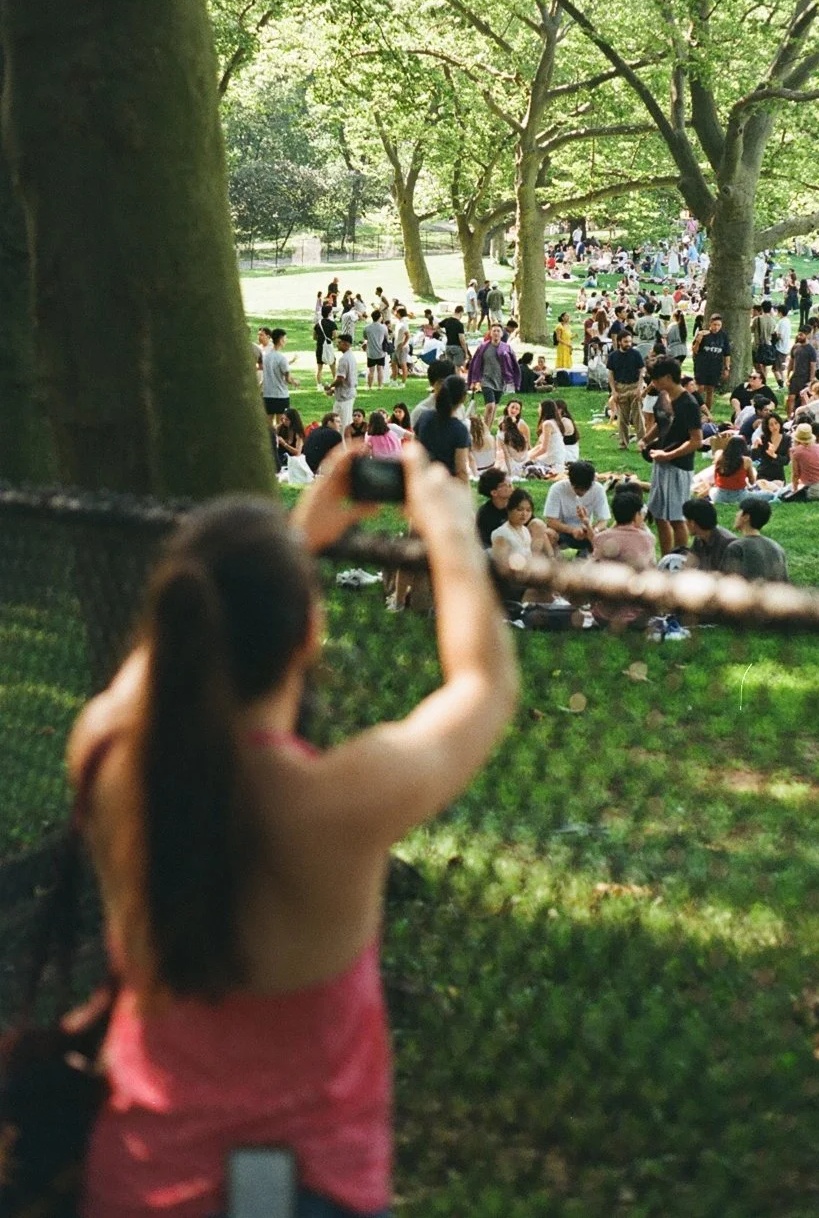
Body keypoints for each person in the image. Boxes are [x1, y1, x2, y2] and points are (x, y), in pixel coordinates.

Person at [70, 444, 516, 1218]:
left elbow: (156, 665)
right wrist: (449, 530)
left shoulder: (105, 754)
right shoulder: (333, 805)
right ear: (307, 635)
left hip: (136, 1179)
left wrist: (290, 538)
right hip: (306, 1191)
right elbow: (485, 681)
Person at [647, 357, 703, 554]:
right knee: (659, 516)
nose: (652, 382)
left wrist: (669, 455)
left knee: (676, 518)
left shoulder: (688, 403)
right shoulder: (664, 396)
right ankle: (666, 560)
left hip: (678, 466)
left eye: (655, 378)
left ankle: (679, 560)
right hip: (660, 461)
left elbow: (696, 440)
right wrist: (645, 439)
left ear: (669, 377)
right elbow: (662, 421)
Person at [590, 487, 656, 628]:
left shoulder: (601, 538)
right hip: (638, 616)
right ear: (636, 515)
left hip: (604, 614)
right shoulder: (648, 539)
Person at [543, 461, 610, 556]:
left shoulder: (598, 489)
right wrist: (572, 530)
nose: (582, 492)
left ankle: (591, 558)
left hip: (587, 530)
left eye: (586, 488)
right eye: (578, 488)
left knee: (606, 534)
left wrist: (594, 530)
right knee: (548, 534)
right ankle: (555, 561)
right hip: (562, 531)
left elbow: (603, 520)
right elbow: (551, 521)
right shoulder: (557, 489)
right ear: (570, 481)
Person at [414, 374, 472, 481]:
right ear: (463, 398)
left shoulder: (425, 417)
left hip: (422, 479)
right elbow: (461, 469)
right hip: (446, 485)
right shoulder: (459, 430)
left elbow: (415, 445)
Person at [721, 497, 789, 582]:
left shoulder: (737, 547)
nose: (736, 514)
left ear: (746, 517)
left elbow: (729, 584)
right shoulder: (777, 547)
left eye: (739, 511)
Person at [467, 323, 520, 427]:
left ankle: (488, 430)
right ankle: (484, 431)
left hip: (500, 381)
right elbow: (475, 364)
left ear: (502, 334)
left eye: (498, 331)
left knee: (495, 407)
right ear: (490, 333)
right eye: (494, 331)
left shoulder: (507, 348)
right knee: (490, 406)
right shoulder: (483, 347)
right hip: (486, 380)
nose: (496, 333)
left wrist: (514, 380)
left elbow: (514, 365)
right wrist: (474, 380)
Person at [490, 487, 554, 569]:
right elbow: (500, 567)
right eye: (519, 509)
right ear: (509, 509)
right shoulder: (501, 534)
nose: (524, 514)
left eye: (528, 510)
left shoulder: (525, 530)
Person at [606, 330, 646, 450]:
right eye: (626, 341)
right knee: (622, 418)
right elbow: (611, 375)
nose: (629, 344)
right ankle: (623, 442)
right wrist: (614, 391)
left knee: (638, 416)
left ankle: (642, 443)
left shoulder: (636, 354)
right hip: (620, 387)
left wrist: (639, 388)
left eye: (630, 341)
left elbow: (642, 372)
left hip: (634, 386)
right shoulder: (613, 356)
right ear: (619, 342)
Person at [681, 497, 735, 571]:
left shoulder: (727, 543)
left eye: (686, 520)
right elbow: (689, 565)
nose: (685, 523)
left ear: (692, 523)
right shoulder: (699, 538)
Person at [691, 314, 731, 411]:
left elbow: (727, 353)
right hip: (702, 366)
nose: (716, 327)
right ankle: (693, 407)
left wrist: (727, 368)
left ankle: (707, 412)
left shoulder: (723, 336)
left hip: (715, 367)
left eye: (718, 325)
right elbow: (694, 350)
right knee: (699, 388)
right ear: (710, 323)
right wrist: (698, 341)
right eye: (714, 324)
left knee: (710, 390)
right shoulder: (703, 334)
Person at [787, 423, 819, 500]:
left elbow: (795, 475)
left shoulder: (796, 452)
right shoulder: (817, 447)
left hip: (816, 491)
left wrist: (794, 491)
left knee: (788, 490)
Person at [262, 328, 299, 424]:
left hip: (268, 394)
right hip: (280, 395)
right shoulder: (281, 358)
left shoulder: (266, 356)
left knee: (268, 424)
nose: (286, 341)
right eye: (285, 339)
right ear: (281, 340)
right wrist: (295, 382)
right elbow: (288, 378)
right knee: (281, 424)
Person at [525, 399, 568, 476]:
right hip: (557, 456)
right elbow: (540, 446)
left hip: (552, 458)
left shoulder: (547, 424)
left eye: (539, 408)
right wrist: (529, 454)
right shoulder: (555, 422)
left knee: (524, 466)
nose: (538, 410)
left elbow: (544, 449)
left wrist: (529, 457)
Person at [710, 435, 756, 502]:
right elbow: (752, 482)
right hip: (740, 496)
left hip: (719, 496)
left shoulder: (720, 458)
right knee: (767, 495)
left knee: (712, 490)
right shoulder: (746, 461)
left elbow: (716, 479)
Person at [475, 467, 513, 547]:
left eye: (510, 483)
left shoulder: (516, 506)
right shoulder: (485, 514)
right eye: (505, 485)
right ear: (494, 492)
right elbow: (485, 541)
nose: (510, 487)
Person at [785, 331, 819, 416]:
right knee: (790, 398)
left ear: (806, 335)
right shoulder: (795, 347)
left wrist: (811, 380)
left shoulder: (811, 350)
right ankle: (789, 417)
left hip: (805, 378)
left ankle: (801, 417)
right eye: (798, 334)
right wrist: (788, 375)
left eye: (801, 334)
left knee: (803, 399)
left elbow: (813, 365)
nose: (799, 336)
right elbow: (791, 362)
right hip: (795, 377)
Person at [363, 311, 390, 390]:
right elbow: (387, 339)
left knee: (371, 370)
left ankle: (369, 386)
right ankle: (380, 386)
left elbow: (365, 337)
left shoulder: (367, 327)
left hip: (371, 352)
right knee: (380, 369)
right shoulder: (384, 327)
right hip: (381, 352)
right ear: (379, 317)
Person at [467, 412, 498, 478]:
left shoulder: (470, 442)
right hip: (491, 469)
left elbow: (471, 461)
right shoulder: (491, 438)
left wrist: (475, 476)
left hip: (477, 471)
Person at [314, 303, 337, 389]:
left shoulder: (318, 324)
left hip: (320, 347)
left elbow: (314, 336)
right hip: (328, 346)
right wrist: (330, 339)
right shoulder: (332, 324)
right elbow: (335, 336)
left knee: (319, 367)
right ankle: (335, 383)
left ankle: (319, 385)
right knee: (333, 366)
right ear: (329, 313)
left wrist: (320, 339)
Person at [439, 306, 469, 371]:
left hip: (448, 347)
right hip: (457, 348)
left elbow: (436, 326)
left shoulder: (446, 321)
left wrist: (443, 332)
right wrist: (466, 352)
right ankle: (456, 381)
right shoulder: (459, 324)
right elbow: (462, 340)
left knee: (449, 368)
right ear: (461, 312)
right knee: (457, 368)